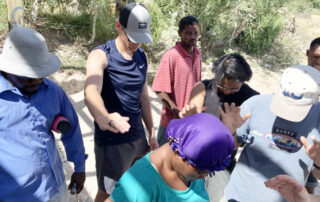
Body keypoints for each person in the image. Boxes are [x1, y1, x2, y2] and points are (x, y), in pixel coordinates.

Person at [0, 27, 87, 201]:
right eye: (28, 76)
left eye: (41, 74)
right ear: (9, 70)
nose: (38, 81)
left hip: (53, 188)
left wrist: (79, 167)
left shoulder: (52, 91)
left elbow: (72, 128)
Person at [84, 2, 158, 202]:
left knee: (135, 186)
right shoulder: (100, 55)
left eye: (142, 40)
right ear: (119, 26)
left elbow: (144, 97)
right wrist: (103, 116)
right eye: (133, 38)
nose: (137, 44)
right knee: (108, 192)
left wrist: (151, 131)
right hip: (112, 140)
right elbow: (91, 90)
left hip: (138, 137)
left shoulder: (142, 56)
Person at [220, 65, 320, 202]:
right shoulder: (256, 104)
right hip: (238, 197)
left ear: (317, 95)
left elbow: (316, 176)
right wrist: (229, 132)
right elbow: (229, 148)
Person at [179, 53, 259, 202]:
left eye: (234, 89)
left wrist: (232, 131)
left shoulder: (252, 99)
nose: (227, 92)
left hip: (221, 164)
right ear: (216, 74)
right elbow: (191, 124)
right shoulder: (203, 88)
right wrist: (190, 119)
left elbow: (238, 143)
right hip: (194, 158)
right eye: (222, 86)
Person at [106, 113, 235, 202]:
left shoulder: (195, 161)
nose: (203, 177)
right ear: (179, 152)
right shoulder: (139, 184)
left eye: (208, 171)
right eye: (201, 171)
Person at [152, 15, 201, 146]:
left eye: (195, 33)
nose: (192, 37)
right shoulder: (171, 55)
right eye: (188, 33)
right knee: (161, 160)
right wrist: (175, 111)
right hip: (171, 121)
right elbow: (159, 90)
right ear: (180, 33)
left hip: (190, 120)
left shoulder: (197, 54)